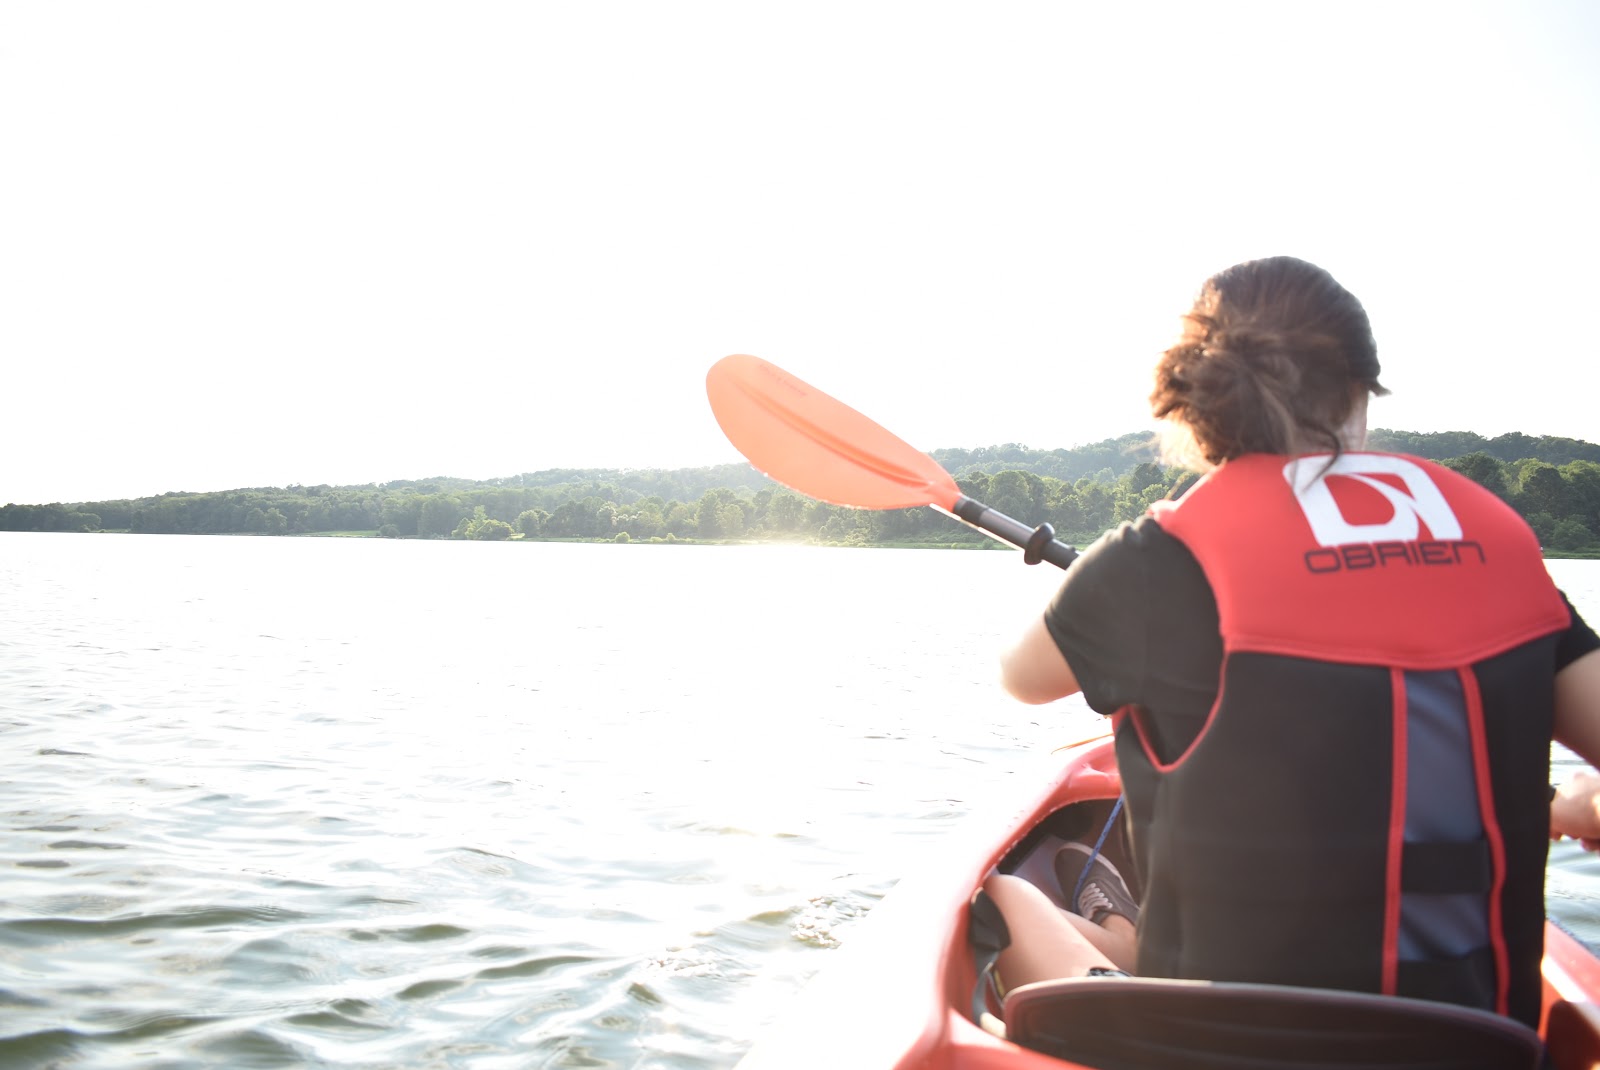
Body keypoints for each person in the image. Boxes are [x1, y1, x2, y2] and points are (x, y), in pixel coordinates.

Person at [984, 255, 1600, 1030]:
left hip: (1215, 1053)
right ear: (1360, 392)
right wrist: (1575, 803)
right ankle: (1124, 944)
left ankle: (1122, 944)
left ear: (1191, 409)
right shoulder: (1497, 541)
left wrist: (1108, 582)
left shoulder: (1158, 555)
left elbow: (1020, 677)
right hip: (1476, 1048)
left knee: (1000, 897)